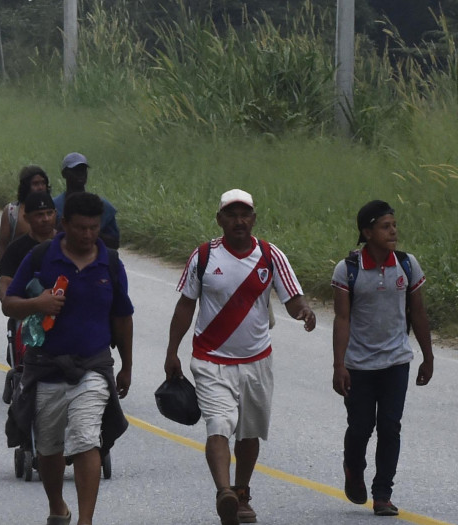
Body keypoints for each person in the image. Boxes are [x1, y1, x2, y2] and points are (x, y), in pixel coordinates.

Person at [163, 189, 316, 525]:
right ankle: (224, 493)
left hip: (256, 360)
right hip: (210, 360)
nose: (239, 221)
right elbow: (186, 305)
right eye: (231, 215)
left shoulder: (270, 256)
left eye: (244, 214)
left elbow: (293, 298)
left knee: (249, 432)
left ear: (254, 219)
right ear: (220, 220)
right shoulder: (203, 256)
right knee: (218, 424)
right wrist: (172, 351)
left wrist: (304, 311)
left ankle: (241, 493)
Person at [2, 192, 132, 525]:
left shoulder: (111, 263)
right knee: (48, 447)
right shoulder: (40, 257)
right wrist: (38, 304)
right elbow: (9, 303)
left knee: (86, 438)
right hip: (46, 365)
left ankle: (85, 520)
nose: (88, 235)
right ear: (64, 225)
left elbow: (122, 317)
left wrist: (127, 367)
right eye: (80, 228)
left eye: (94, 228)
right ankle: (57, 506)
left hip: (92, 365)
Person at [331, 200, 434, 517]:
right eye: (385, 226)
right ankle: (353, 467)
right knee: (360, 427)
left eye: (394, 225)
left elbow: (417, 313)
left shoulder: (406, 265)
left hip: (396, 363)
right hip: (359, 366)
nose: (393, 231)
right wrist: (339, 366)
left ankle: (383, 494)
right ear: (367, 232)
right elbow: (342, 319)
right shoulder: (348, 269)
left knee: (390, 427)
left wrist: (427, 357)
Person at [0, 192, 58, 302]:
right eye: (39, 215)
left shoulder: (67, 243)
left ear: (56, 214)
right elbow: (4, 286)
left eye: (49, 213)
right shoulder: (15, 248)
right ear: (26, 218)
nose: (46, 219)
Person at [52, 153, 120, 249]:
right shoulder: (53, 206)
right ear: (64, 174)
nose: (80, 173)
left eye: (83, 170)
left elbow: (114, 243)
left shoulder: (103, 206)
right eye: (75, 170)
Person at [0, 165, 52, 259]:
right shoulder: (12, 211)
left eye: (43, 183)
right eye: (35, 184)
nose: (40, 188)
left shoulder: (52, 210)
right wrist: (4, 271)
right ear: (26, 186)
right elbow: (3, 245)